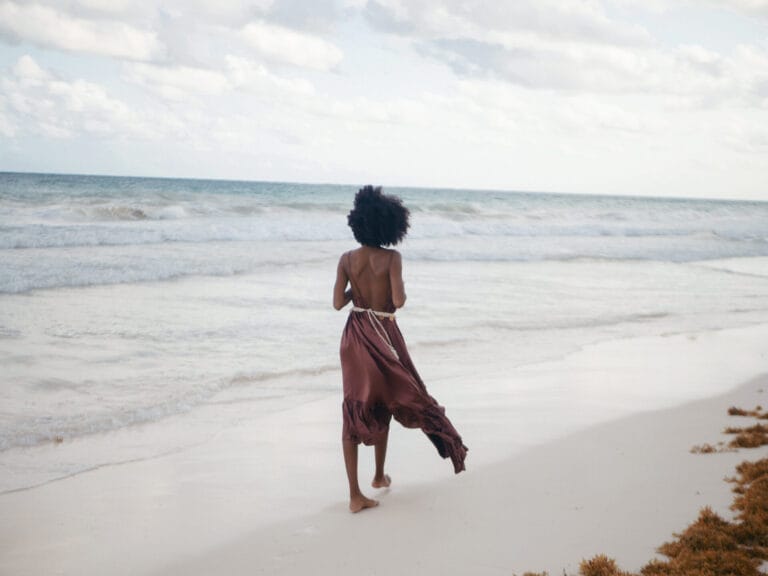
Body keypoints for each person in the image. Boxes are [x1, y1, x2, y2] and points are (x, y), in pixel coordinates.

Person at [333, 185, 468, 513]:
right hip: (383, 332)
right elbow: (399, 301)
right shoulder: (392, 258)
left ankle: (359, 492)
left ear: (358, 222)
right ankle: (377, 476)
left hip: (354, 336)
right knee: (391, 398)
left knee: (355, 406)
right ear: (391, 225)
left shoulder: (346, 259)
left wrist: (356, 292)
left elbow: (338, 303)